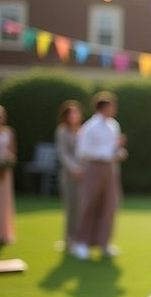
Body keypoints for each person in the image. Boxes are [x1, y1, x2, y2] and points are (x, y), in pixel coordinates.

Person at [73, 91, 127, 260]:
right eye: (111, 106)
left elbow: (114, 148)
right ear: (103, 108)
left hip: (110, 169)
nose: (114, 109)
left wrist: (119, 151)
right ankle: (81, 243)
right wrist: (107, 152)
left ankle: (104, 242)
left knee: (109, 205)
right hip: (94, 168)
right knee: (89, 204)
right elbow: (82, 151)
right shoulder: (90, 127)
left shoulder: (113, 125)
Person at [54, 99, 83, 252]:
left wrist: (83, 169)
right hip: (68, 175)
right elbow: (63, 154)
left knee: (81, 208)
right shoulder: (62, 131)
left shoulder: (83, 131)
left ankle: (80, 238)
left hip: (83, 175)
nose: (74, 116)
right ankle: (69, 239)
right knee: (71, 208)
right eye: (71, 113)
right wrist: (74, 169)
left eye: (76, 113)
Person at [0, 103, 17, 245]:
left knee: (4, 202)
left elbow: (12, 151)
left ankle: (3, 233)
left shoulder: (9, 132)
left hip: (5, 171)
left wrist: (7, 162)